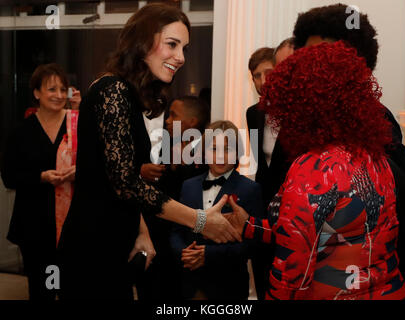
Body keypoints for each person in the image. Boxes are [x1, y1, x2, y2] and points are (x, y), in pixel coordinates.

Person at [57, 3, 240, 300]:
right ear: (142, 42)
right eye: (172, 44)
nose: (181, 57)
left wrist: (141, 231)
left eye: (184, 48)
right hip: (92, 247)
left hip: (114, 242)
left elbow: (122, 181)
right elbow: (126, 184)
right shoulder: (112, 90)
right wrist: (200, 220)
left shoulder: (126, 94)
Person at [227, 41, 405, 300]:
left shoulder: (313, 169)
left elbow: (291, 278)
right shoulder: (378, 159)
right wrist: (250, 227)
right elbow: (327, 232)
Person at [292, 2, 405, 284]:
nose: (314, 67)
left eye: (326, 56)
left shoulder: (376, 120)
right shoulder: (302, 124)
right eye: (307, 57)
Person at [1, 63, 79, 300]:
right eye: (51, 89)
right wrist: (40, 176)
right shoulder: (21, 132)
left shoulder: (77, 125)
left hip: (74, 223)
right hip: (35, 224)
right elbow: (9, 177)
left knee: (73, 287)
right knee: (42, 288)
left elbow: (101, 166)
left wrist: (79, 171)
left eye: (62, 89)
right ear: (36, 93)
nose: (58, 95)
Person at [170, 120, 263, 299]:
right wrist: (184, 252)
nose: (220, 156)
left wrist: (209, 254)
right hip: (190, 282)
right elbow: (176, 231)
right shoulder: (188, 186)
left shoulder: (250, 189)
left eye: (227, 149)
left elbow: (253, 245)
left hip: (228, 285)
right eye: (213, 149)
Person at [136, 96, 210, 300]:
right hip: (159, 232)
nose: (167, 120)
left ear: (193, 122)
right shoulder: (167, 145)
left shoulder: (207, 152)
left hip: (188, 236)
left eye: (174, 115)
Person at [245, 44, 293, 300]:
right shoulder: (253, 114)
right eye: (256, 75)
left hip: (296, 211)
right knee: (264, 275)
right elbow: (260, 165)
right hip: (263, 208)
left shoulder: (300, 114)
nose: (263, 81)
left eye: (270, 73)